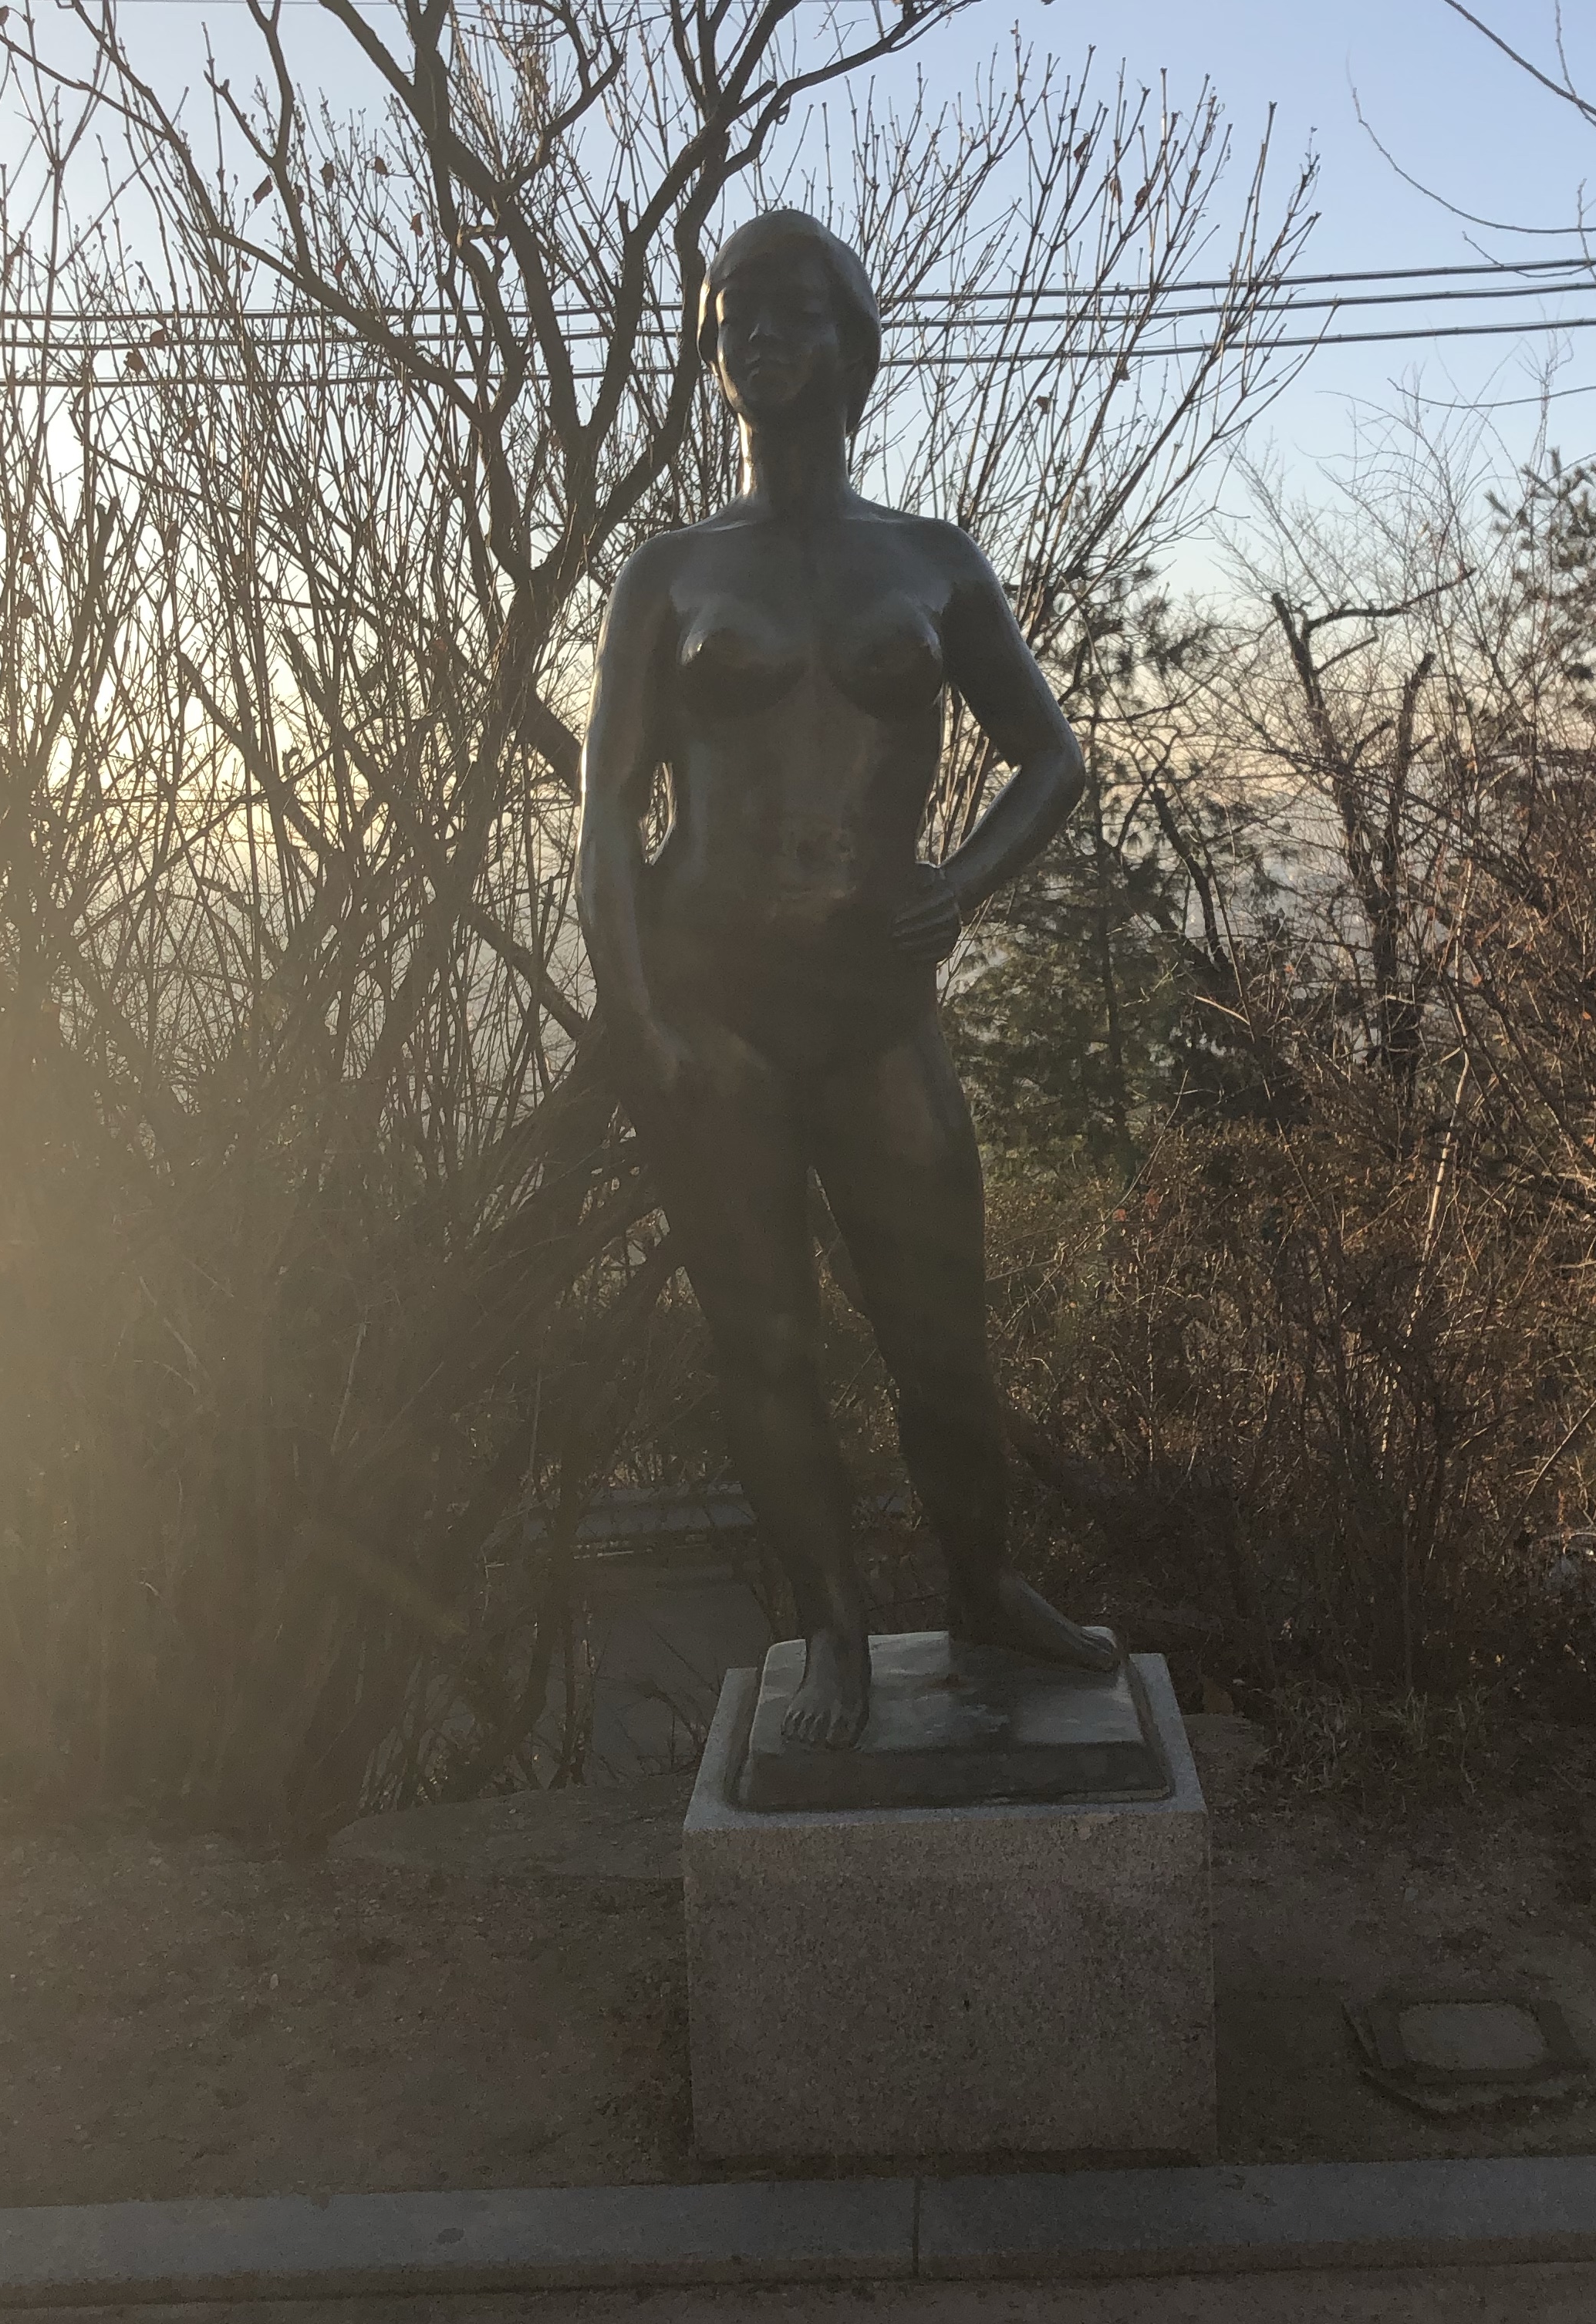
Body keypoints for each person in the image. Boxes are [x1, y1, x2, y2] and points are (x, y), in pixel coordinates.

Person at [576, 209, 1116, 1751]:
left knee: (942, 1340)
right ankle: (831, 1632)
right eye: (733, 313)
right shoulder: (668, 574)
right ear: (710, 352)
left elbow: (1053, 759)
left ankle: (983, 1590)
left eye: (794, 310)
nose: (759, 335)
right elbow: (605, 819)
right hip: (714, 1015)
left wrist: (960, 883)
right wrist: (643, 1026)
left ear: (851, 341)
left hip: (879, 1010)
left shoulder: (932, 562)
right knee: (766, 1346)